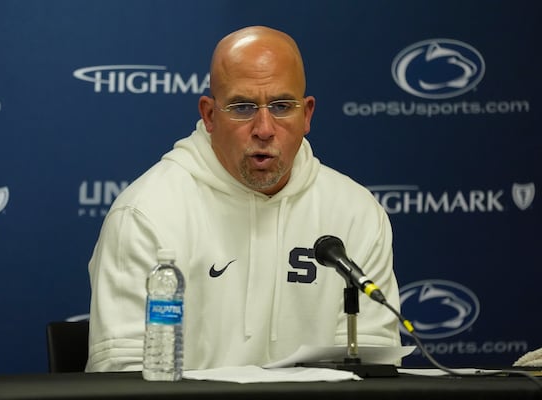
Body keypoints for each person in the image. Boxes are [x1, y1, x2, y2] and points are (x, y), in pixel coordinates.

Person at [86, 25, 401, 372]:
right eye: (242, 107)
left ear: (307, 114)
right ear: (209, 115)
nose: (264, 128)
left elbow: (372, 366)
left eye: (282, 106)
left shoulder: (355, 212)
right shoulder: (148, 212)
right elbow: (124, 374)